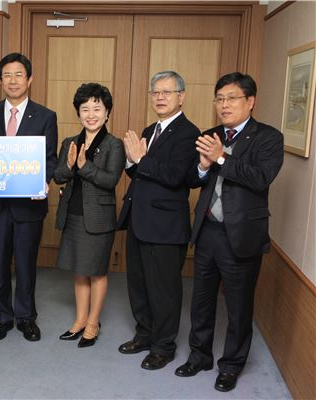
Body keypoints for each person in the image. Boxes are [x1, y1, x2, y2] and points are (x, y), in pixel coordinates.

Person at [174, 72, 283, 392]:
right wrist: (204, 165)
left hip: (242, 234)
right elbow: (195, 179)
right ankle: (199, 355)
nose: (224, 105)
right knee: (202, 300)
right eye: (219, 98)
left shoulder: (268, 137)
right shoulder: (209, 135)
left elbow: (260, 177)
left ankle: (231, 365)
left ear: (250, 101)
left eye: (231, 98)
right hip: (208, 229)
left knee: (237, 306)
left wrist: (220, 157)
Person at [116, 71, 200, 370]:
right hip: (139, 220)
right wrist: (130, 160)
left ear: (182, 96)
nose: (160, 97)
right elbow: (142, 174)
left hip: (165, 226)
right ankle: (144, 335)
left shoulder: (190, 133)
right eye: (155, 92)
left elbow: (176, 177)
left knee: (164, 290)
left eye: (167, 92)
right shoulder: (150, 129)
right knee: (138, 284)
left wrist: (140, 159)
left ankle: (163, 346)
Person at [0, 52, 58, 341]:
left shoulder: (46, 116)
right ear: (0, 80)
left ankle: (25, 317)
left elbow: (50, 159)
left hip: (29, 206)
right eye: (7, 75)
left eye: (18, 74)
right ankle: (2, 316)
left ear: (30, 79)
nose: (13, 80)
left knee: (25, 262)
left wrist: (45, 181)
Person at [54, 83, 125, 348]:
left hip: (98, 219)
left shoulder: (113, 145)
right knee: (79, 271)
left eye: (97, 108)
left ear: (107, 113)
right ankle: (80, 320)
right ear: (78, 113)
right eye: (85, 109)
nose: (91, 114)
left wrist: (84, 167)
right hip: (73, 214)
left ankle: (93, 323)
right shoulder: (69, 142)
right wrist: (70, 165)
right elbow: (58, 176)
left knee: (96, 272)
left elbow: (110, 180)